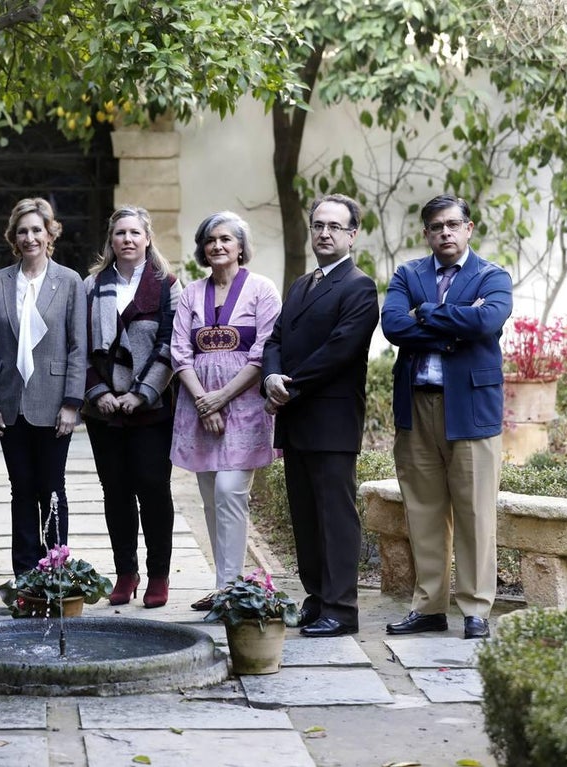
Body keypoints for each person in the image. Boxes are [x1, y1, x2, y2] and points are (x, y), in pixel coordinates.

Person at [381, 194, 513, 640]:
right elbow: (395, 326)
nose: (445, 233)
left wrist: (429, 314)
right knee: (423, 510)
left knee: (476, 511)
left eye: (453, 225)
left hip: (471, 408)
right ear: (426, 234)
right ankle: (429, 606)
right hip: (416, 406)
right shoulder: (408, 274)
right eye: (436, 227)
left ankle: (476, 609)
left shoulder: (492, 275)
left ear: (468, 228)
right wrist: (458, 321)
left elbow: (488, 321)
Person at [261, 194, 379, 637]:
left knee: (335, 517)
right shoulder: (300, 285)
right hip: (295, 418)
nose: (324, 233)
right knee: (305, 515)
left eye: (335, 226)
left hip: (330, 421)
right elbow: (274, 339)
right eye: (318, 225)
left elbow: (339, 351)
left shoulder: (359, 288)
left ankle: (342, 609)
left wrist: (288, 387)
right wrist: (271, 376)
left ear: (352, 234)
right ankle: (317, 597)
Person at [171, 211, 282, 613]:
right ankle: (224, 585)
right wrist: (204, 402)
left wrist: (222, 399)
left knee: (229, 493)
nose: (217, 246)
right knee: (210, 500)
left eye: (225, 239)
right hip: (199, 408)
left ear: (240, 247)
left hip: (245, 408)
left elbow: (264, 352)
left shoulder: (262, 290)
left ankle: (232, 589)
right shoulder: (191, 293)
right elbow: (180, 351)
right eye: (210, 240)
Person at [0, 198, 88, 576]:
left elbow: (78, 346)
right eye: (22, 231)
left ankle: (56, 570)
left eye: (37, 229)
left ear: (50, 233)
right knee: (21, 489)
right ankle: (25, 574)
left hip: (54, 401)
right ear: (13, 236)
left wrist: (73, 403)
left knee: (52, 487)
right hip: (10, 401)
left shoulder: (69, 281)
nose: (30, 237)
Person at [83, 206, 181, 609]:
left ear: (147, 239)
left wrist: (140, 393)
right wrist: (98, 392)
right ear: (111, 240)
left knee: (154, 489)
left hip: (152, 407)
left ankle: (158, 575)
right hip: (104, 410)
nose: (127, 239)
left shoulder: (167, 285)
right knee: (116, 491)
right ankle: (126, 572)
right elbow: (80, 344)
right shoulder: (91, 285)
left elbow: (171, 344)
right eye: (120, 233)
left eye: (134, 233)